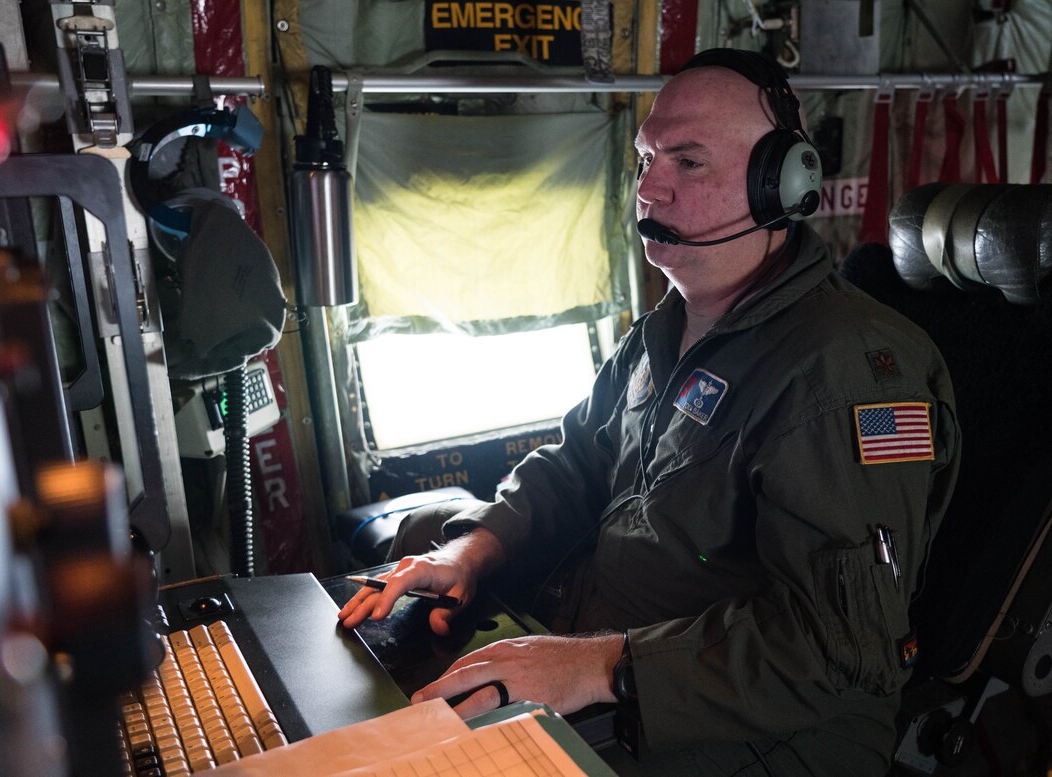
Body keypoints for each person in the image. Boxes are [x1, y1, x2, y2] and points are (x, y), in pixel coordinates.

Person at [338, 48, 961, 776]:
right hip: (616, 662)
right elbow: (576, 462)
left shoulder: (845, 372)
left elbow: (834, 643)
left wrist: (597, 666)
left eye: (688, 163)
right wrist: (475, 549)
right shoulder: (666, 328)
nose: (649, 188)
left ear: (782, 185)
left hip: (758, 735)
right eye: (645, 158)